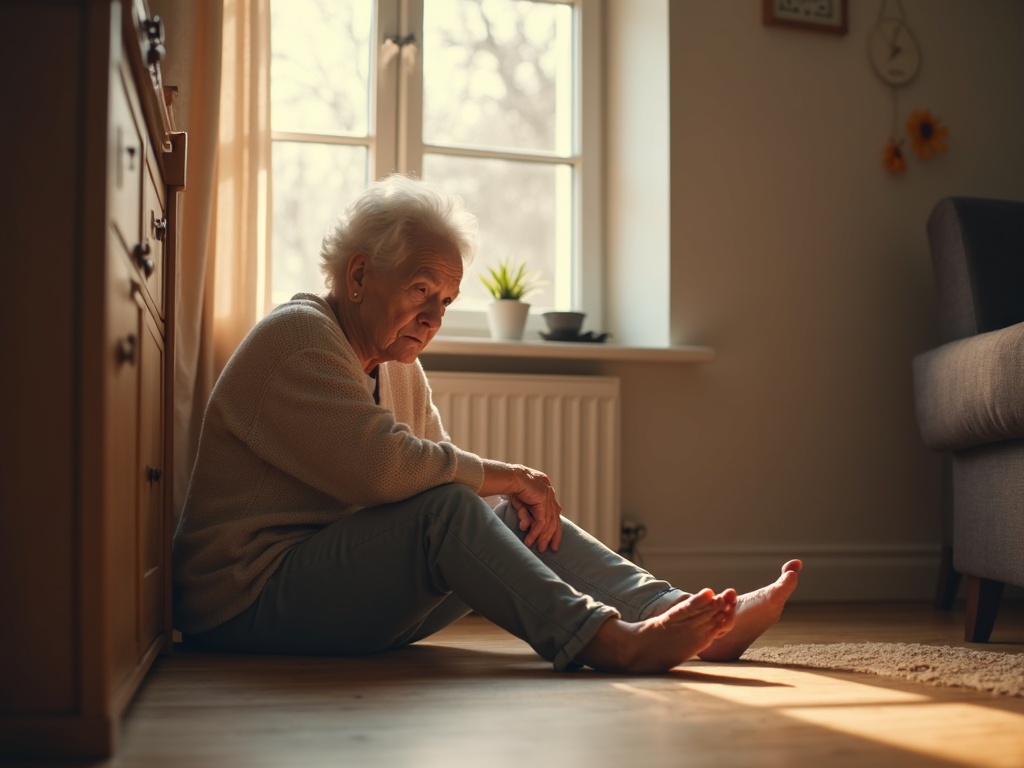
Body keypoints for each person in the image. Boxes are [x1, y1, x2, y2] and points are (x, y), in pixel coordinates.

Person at [172, 173, 801, 673]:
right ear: (359, 275)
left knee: (498, 513)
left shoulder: (396, 365)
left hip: (329, 593)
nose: (434, 315)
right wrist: (515, 475)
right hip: (245, 600)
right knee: (459, 507)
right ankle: (611, 643)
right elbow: (384, 471)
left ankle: (673, 611)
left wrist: (508, 491)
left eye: (445, 301)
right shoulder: (299, 337)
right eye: (421, 289)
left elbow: (444, 485)